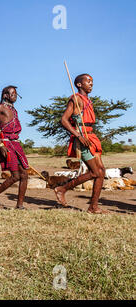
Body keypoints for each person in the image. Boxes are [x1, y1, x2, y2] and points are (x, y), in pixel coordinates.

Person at [54, 74, 107, 214]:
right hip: (82, 138)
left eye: (92, 81)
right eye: (88, 81)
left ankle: (93, 207)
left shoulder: (88, 100)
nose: (91, 83)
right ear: (78, 84)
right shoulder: (76, 99)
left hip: (91, 136)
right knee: (95, 172)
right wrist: (78, 135)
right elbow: (64, 120)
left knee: (101, 172)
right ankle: (62, 189)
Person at [0, 86, 29, 209]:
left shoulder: (14, 110)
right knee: (16, 176)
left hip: (16, 143)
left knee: (25, 175)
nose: (15, 96)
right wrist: (0, 144)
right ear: (5, 95)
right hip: (6, 143)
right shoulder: (0, 108)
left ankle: (20, 205)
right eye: (12, 94)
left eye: (16, 94)